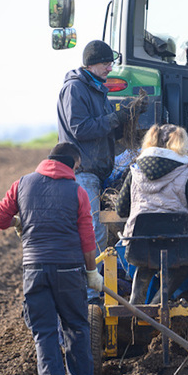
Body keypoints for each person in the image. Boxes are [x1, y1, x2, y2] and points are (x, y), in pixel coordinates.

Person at [0, 143, 103, 375]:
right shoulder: (77, 192)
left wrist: (17, 221)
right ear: (72, 163)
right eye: (77, 167)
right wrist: (91, 272)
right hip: (69, 270)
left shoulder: (22, 184)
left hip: (34, 269)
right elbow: (87, 238)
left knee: (44, 330)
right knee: (76, 326)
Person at [57, 40, 141, 303]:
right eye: (105, 63)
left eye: (110, 62)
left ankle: (108, 284)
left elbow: (104, 131)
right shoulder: (75, 89)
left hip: (99, 170)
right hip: (84, 170)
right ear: (91, 64)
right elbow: (80, 129)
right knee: (92, 230)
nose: (110, 67)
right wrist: (115, 118)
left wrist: (127, 116)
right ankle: (91, 296)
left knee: (110, 228)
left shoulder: (97, 89)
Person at [116, 124, 188, 304]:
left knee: (145, 264)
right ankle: (158, 303)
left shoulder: (134, 172)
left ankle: (136, 306)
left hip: (141, 243)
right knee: (182, 267)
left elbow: (120, 210)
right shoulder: (186, 173)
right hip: (179, 246)